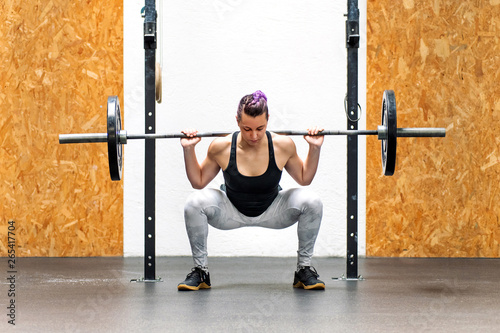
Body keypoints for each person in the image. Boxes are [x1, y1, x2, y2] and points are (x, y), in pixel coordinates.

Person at [178, 90, 325, 291]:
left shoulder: (283, 145)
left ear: (268, 120)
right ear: (237, 121)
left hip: (273, 210)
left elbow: (304, 178)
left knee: (312, 200)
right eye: (247, 129)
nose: (254, 136)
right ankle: (201, 271)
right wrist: (189, 149)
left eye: (260, 128)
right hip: (231, 212)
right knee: (194, 202)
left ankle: (304, 270)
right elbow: (198, 181)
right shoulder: (221, 146)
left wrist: (314, 148)